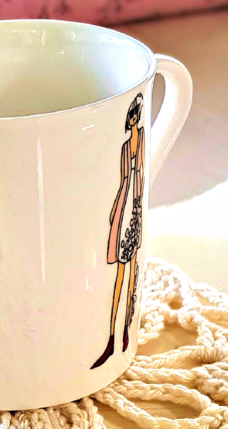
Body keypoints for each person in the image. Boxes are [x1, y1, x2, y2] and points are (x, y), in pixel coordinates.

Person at [92, 94, 145, 369]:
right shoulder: (125, 146)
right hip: (125, 205)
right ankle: (112, 338)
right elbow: (124, 179)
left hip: (135, 206)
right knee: (119, 275)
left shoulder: (142, 138)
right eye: (131, 117)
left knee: (132, 272)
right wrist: (116, 211)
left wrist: (138, 204)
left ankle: (126, 330)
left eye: (135, 116)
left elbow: (140, 173)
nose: (133, 120)